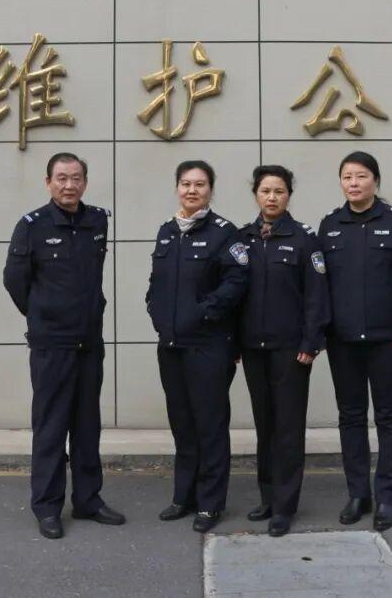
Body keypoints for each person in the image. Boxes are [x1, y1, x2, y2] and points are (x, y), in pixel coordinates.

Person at [3, 152, 125, 540]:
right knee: (52, 427)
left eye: (75, 178)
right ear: (48, 182)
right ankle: (47, 506)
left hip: (89, 342)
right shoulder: (32, 226)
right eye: (61, 178)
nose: (68, 185)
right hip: (52, 345)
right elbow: (15, 281)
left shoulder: (97, 221)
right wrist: (43, 314)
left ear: (85, 183)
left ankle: (88, 499)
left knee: (87, 425)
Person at [318, 151, 392, 532]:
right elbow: (318, 284)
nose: (353, 183)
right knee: (350, 417)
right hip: (343, 340)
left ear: (375, 181)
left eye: (361, 175)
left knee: (389, 417)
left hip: (387, 339)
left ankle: (387, 497)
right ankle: (358, 494)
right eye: (347, 176)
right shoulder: (330, 226)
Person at [146, 160, 249, 533]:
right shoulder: (167, 232)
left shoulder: (225, 233)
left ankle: (210, 503)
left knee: (210, 425)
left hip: (208, 345)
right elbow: (156, 284)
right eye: (186, 184)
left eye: (200, 184)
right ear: (177, 187)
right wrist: (157, 313)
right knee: (182, 424)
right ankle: (183, 496)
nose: (192, 190)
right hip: (172, 345)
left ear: (210, 190)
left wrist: (202, 313)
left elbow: (236, 283)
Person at [237, 165, 330, 537]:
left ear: (289, 195)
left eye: (279, 191)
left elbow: (317, 297)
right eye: (265, 191)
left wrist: (311, 343)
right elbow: (234, 294)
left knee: (288, 428)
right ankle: (267, 497)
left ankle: (285, 506)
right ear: (256, 195)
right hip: (253, 348)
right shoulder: (242, 239)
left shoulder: (304, 239)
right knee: (265, 426)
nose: (271, 197)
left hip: (291, 351)